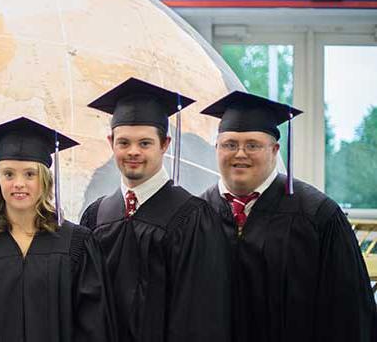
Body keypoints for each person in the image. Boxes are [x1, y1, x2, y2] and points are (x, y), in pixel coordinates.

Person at [199, 91, 377, 342]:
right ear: (216, 148)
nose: (240, 153)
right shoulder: (196, 214)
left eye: (253, 145)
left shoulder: (317, 215)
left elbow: (349, 313)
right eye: (229, 144)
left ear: (275, 150)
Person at [0, 117, 116, 341]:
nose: (19, 183)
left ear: (45, 179)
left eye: (30, 174)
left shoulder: (76, 244)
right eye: (9, 174)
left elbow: (93, 327)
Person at [80, 77, 231, 341]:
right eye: (124, 143)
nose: (133, 152)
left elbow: (201, 317)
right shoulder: (96, 216)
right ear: (111, 143)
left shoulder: (193, 217)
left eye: (145, 143)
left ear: (164, 145)